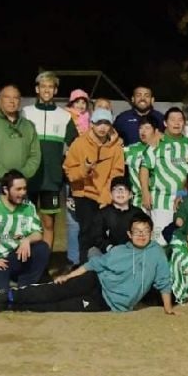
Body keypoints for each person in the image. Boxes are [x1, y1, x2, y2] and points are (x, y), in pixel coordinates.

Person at [0, 213, 175, 314]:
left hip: (107, 303)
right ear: (129, 234)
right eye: (137, 231)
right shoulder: (120, 251)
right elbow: (94, 265)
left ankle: (10, 306)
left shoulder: (157, 253)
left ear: (151, 233)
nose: (141, 235)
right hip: (94, 281)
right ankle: (9, 295)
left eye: (145, 231)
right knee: (55, 290)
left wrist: (168, 309)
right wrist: (68, 276)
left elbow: (164, 282)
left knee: (60, 307)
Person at [0, 170, 50, 301]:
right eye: (18, 189)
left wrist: (27, 240)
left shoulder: (28, 206)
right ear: (6, 190)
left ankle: (26, 287)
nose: (23, 193)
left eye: (24, 188)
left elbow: (38, 233)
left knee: (42, 248)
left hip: (13, 257)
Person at [22, 71, 78, 248]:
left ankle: (43, 264)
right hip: (28, 178)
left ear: (55, 90)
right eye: (43, 86)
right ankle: (24, 264)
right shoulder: (25, 112)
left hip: (51, 181)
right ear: (37, 89)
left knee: (48, 224)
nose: (47, 90)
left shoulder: (65, 116)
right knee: (25, 224)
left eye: (50, 87)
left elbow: (76, 147)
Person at [63, 108, 125, 264]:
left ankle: (105, 267)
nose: (103, 128)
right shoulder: (79, 143)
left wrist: (105, 195)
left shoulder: (116, 147)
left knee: (104, 233)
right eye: (99, 123)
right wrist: (84, 169)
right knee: (86, 232)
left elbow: (117, 173)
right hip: (83, 195)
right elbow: (69, 171)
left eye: (106, 123)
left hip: (105, 196)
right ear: (92, 124)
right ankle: (84, 267)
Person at [140, 107, 188, 245]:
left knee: (184, 241)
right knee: (161, 242)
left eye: (180, 120)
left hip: (185, 200)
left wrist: (185, 192)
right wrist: (145, 192)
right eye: (173, 119)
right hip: (162, 200)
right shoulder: (156, 143)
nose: (177, 123)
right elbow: (144, 168)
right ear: (165, 123)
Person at [0, 85, 41, 195]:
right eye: (7, 97)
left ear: (20, 101)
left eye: (15, 98)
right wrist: (7, 177)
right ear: (0, 100)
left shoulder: (28, 126)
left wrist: (21, 176)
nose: (12, 101)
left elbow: (35, 155)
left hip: (21, 185)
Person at [62, 90, 93, 269]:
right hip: (72, 175)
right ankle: (73, 258)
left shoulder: (90, 121)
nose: (80, 106)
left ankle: (86, 256)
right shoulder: (67, 120)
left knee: (88, 218)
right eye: (77, 102)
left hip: (89, 176)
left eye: (83, 102)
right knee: (73, 219)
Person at [92, 177, 145, 254]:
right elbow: (96, 236)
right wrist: (109, 247)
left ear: (130, 195)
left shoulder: (138, 213)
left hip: (132, 252)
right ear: (110, 195)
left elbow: (143, 233)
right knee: (92, 252)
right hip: (109, 252)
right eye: (115, 189)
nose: (120, 192)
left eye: (124, 189)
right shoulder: (103, 213)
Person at [124, 116, 161, 209]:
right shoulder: (130, 150)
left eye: (147, 128)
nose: (143, 131)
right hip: (138, 203)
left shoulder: (164, 149)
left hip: (160, 201)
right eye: (140, 128)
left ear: (156, 131)